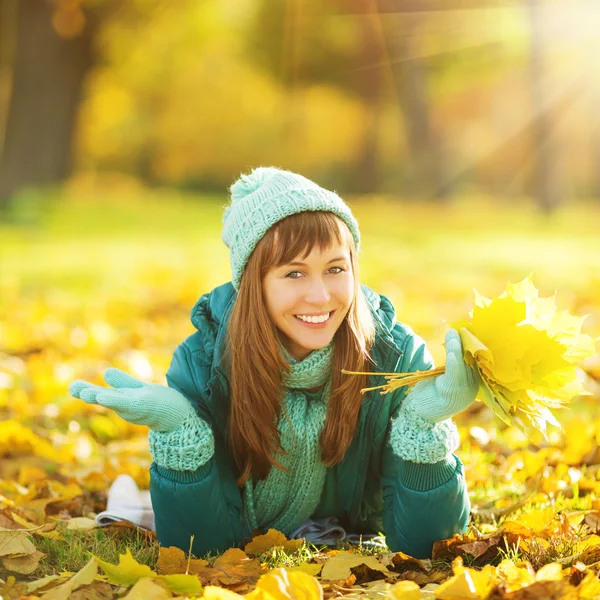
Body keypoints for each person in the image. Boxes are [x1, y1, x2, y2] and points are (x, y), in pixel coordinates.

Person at [69, 167, 479, 559]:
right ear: (254, 283)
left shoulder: (393, 359)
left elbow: (427, 546)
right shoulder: (204, 365)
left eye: (335, 268)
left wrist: (423, 429)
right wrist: (179, 431)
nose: (320, 297)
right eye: (294, 274)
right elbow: (202, 550)